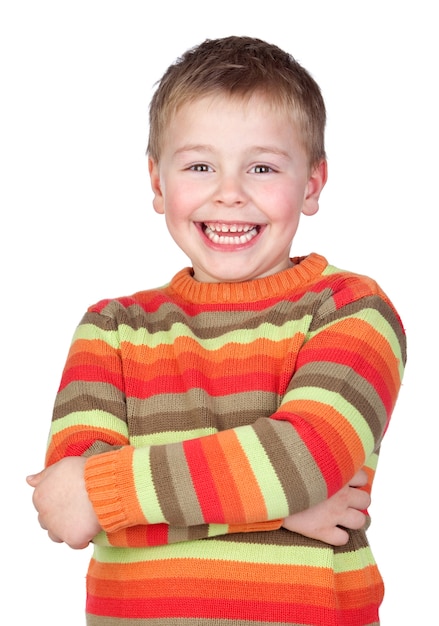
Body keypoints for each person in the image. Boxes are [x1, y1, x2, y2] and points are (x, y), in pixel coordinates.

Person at [27, 35, 407, 626]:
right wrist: (277, 511)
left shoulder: (350, 309)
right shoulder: (112, 329)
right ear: (157, 182)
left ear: (311, 183)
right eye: (200, 165)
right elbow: (73, 509)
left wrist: (119, 496)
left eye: (262, 166)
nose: (229, 192)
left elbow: (305, 459)